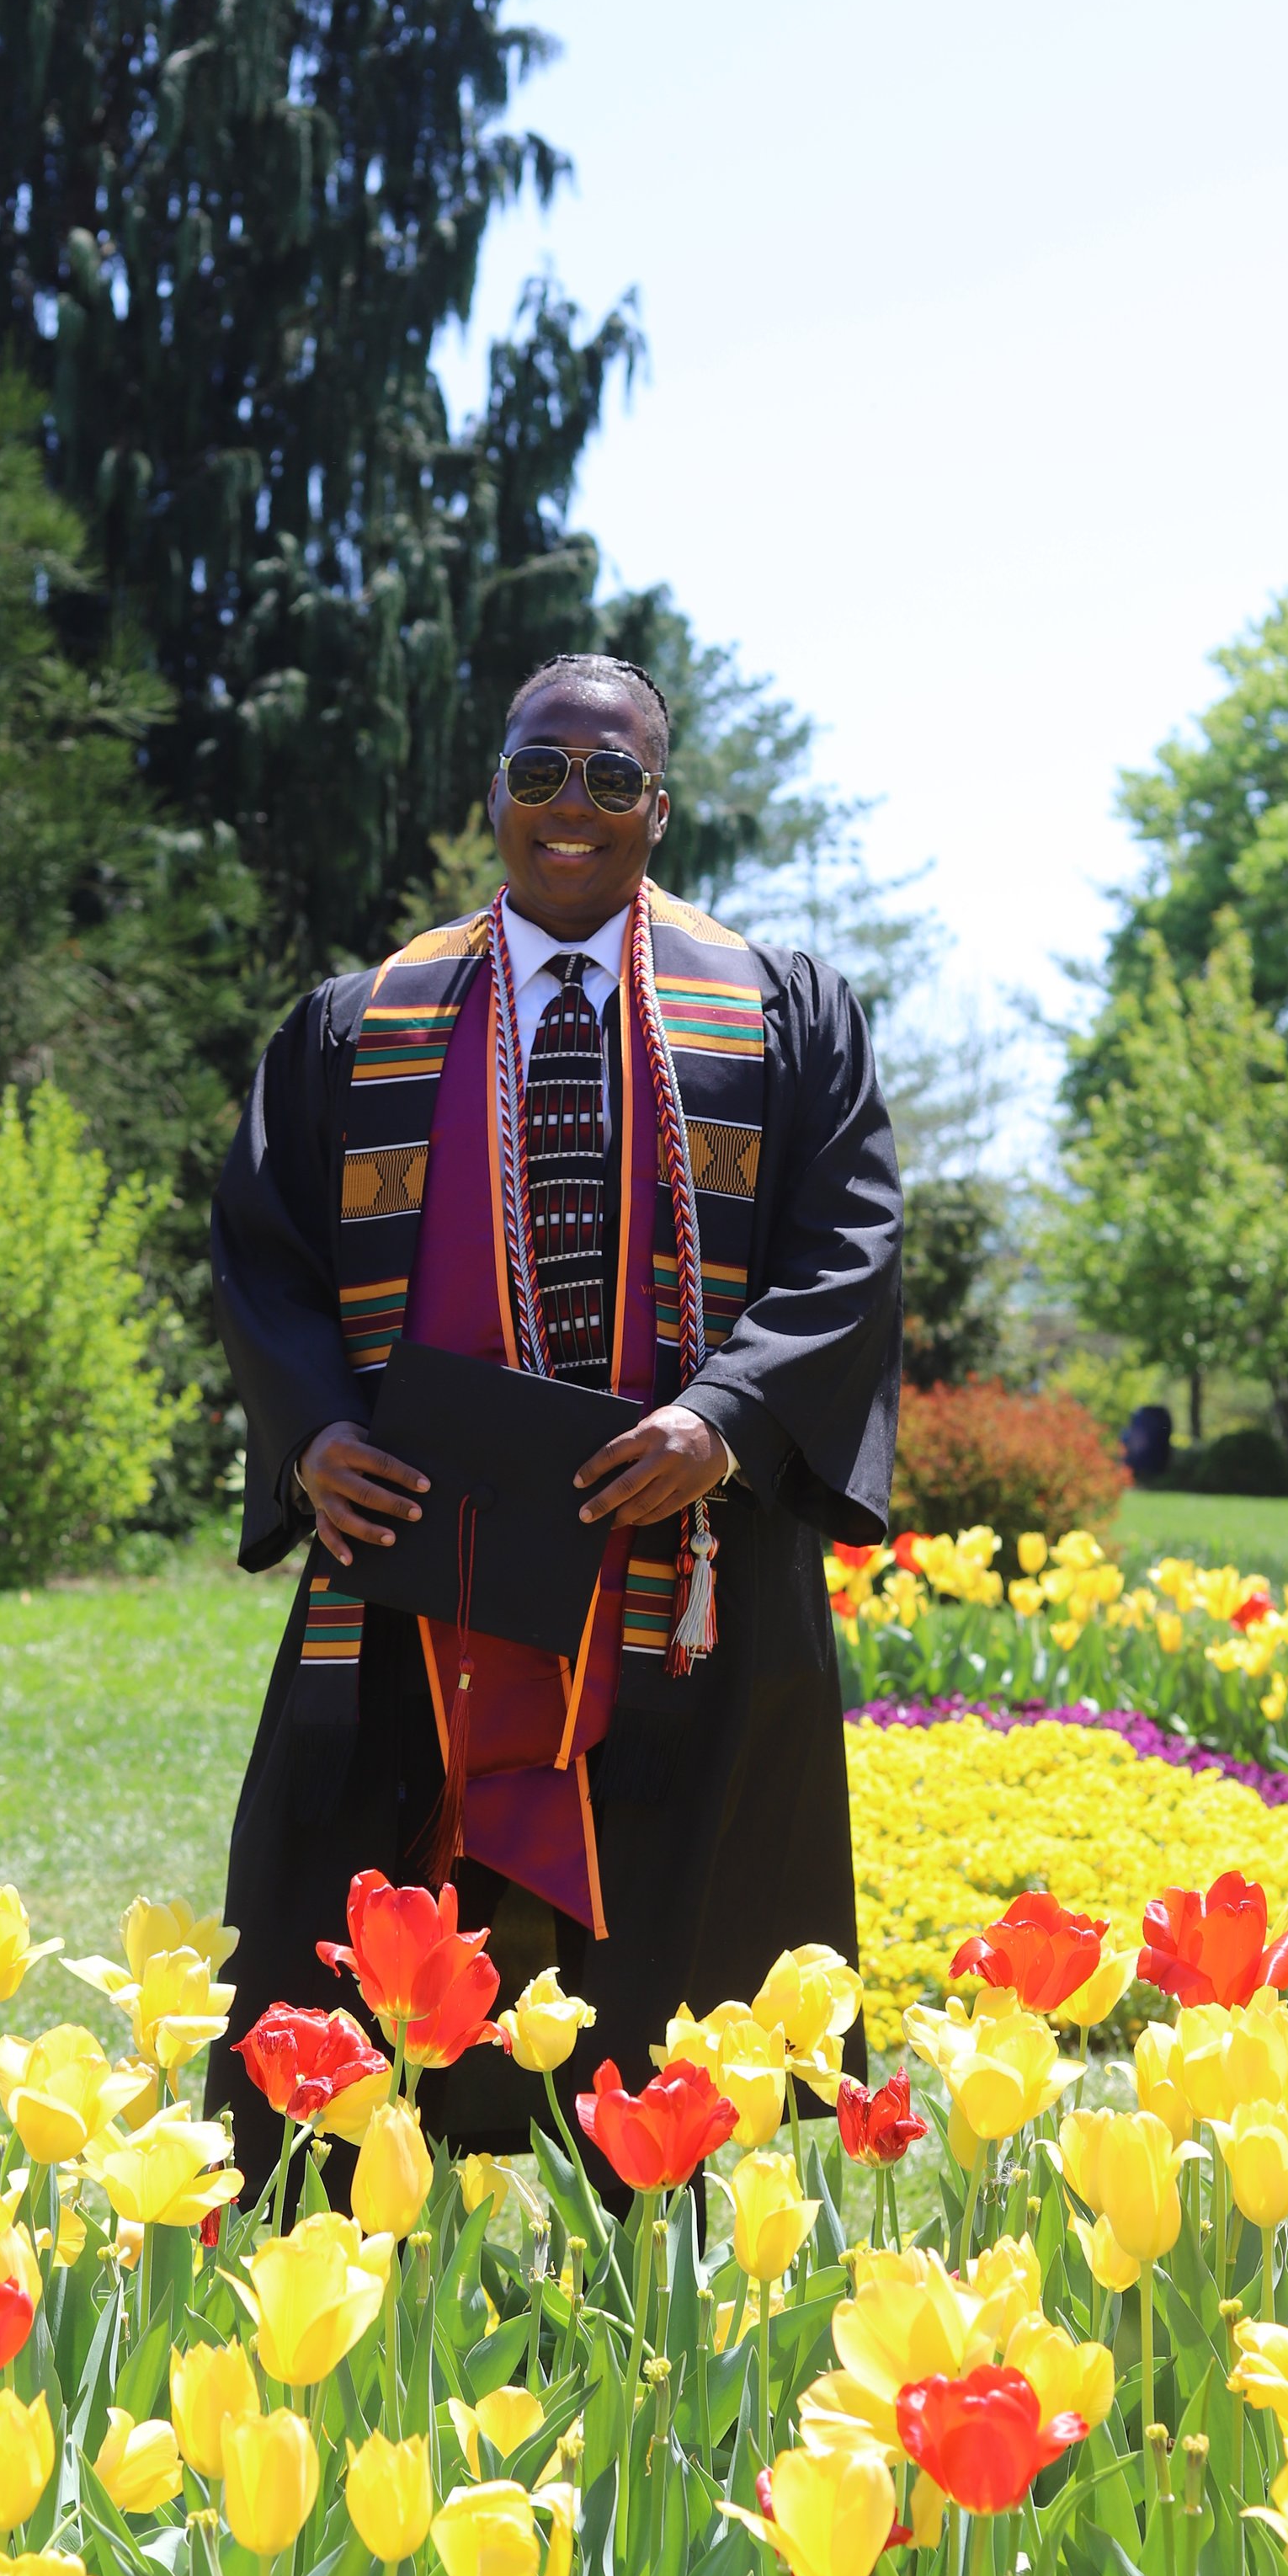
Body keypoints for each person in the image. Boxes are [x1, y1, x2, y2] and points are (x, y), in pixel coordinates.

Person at [205, 649, 903, 2194]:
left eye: (606, 777)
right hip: (418, 1574)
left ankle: (673, 2308)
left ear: (660, 804)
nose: (567, 807)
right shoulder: (363, 1023)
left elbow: (848, 1247)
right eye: (537, 771)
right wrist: (316, 1433)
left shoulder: (782, 1016)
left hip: (686, 1581)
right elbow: (266, 1252)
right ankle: (350, 2281)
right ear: (494, 794)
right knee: (362, 1959)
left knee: (685, 1984)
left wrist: (726, 1419)